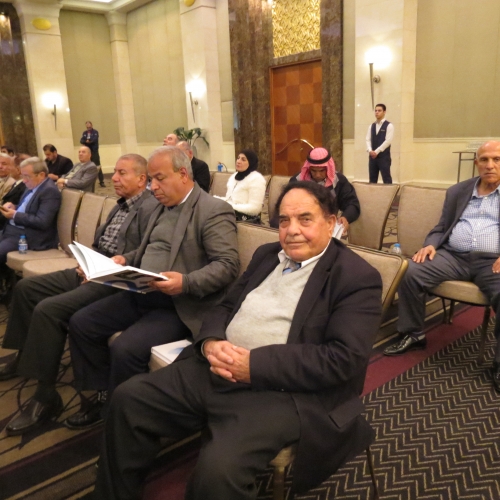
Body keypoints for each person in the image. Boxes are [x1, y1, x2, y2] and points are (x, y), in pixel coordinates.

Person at [92, 181, 382, 500]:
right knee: (129, 398)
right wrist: (211, 342)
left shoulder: (355, 277)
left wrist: (252, 366)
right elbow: (225, 306)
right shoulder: (267, 255)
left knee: (217, 474)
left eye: (305, 219)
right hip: (215, 367)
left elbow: (342, 358)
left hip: (281, 392)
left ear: (330, 223)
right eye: (284, 221)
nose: (292, 230)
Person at [64, 146, 239, 430]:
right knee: (82, 322)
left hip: (179, 305)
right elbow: (147, 250)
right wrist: (124, 260)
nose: (152, 186)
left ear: (183, 174)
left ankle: (126, 421)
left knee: (126, 348)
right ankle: (101, 394)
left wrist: (185, 282)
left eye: (159, 178)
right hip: (143, 291)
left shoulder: (212, 210)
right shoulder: (158, 207)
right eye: (151, 180)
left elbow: (227, 265)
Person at [1, 154, 158, 436]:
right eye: (116, 172)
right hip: (91, 267)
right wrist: (87, 262)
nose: (114, 178)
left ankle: (46, 396)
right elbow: (102, 242)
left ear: (141, 179)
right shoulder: (120, 204)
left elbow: (143, 254)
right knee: (26, 289)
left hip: (111, 278)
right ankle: (25, 356)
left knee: (49, 310)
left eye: (122, 173)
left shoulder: (151, 207)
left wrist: (101, 268)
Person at [383, 141, 500, 393]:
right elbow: (442, 226)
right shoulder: (459, 191)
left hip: (492, 261)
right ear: (476, 163)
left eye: (497, 159)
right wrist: (430, 244)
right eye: (484, 159)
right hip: (453, 256)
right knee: (410, 271)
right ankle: (413, 334)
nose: (490, 165)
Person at [270, 147, 360, 235]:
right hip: (300, 224)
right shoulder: (297, 180)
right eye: (313, 171)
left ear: (328, 168)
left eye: (322, 171)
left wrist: (345, 217)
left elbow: (352, 204)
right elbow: (285, 206)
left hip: (325, 226)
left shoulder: (339, 181)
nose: (317, 175)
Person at [0, 157, 61, 262]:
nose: (24, 180)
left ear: (41, 175)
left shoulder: (49, 191)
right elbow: (28, 208)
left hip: (28, 237)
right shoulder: (32, 185)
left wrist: (14, 215)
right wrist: (14, 206)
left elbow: (42, 222)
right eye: (22, 176)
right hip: (11, 230)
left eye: (27, 176)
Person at [214, 149, 266, 222]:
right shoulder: (233, 176)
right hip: (229, 213)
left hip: (246, 219)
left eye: (243, 160)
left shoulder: (256, 178)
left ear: (251, 163)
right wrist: (215, 199)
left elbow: (255, 209)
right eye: (238, 158)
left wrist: (229, 206)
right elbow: (229, 200)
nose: (238, 161)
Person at [366, 103, 393, 184]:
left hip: (383, 158)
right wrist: (370, 150)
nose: (377, 112)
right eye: (376, 111)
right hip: (372, 158)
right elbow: (368, 139)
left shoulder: (389, 125)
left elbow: (388, 141)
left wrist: (376, 151)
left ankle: (389, 192)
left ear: (384, 112)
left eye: (379, 110)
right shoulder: (372, 126)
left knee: (386, 179)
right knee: (372, 179)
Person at [0, 154, 27, 230]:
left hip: (9, 226)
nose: (9, 169)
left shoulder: (24, 186)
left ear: (18, 170)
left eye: (10, 165)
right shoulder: (16, 184)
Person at [80, 121, 105, 187]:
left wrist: (87, 141)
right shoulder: (85, 133)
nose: (88, 125)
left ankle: (101, 181)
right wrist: (86, 141)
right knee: (86, 166)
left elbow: (94, 140)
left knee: (97, 166)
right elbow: (81, 140)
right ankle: (87, 181)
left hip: (94, 151)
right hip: (87, 152)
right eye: (86, 124)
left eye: (89, 124)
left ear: (91, 125)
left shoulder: (95, 132)